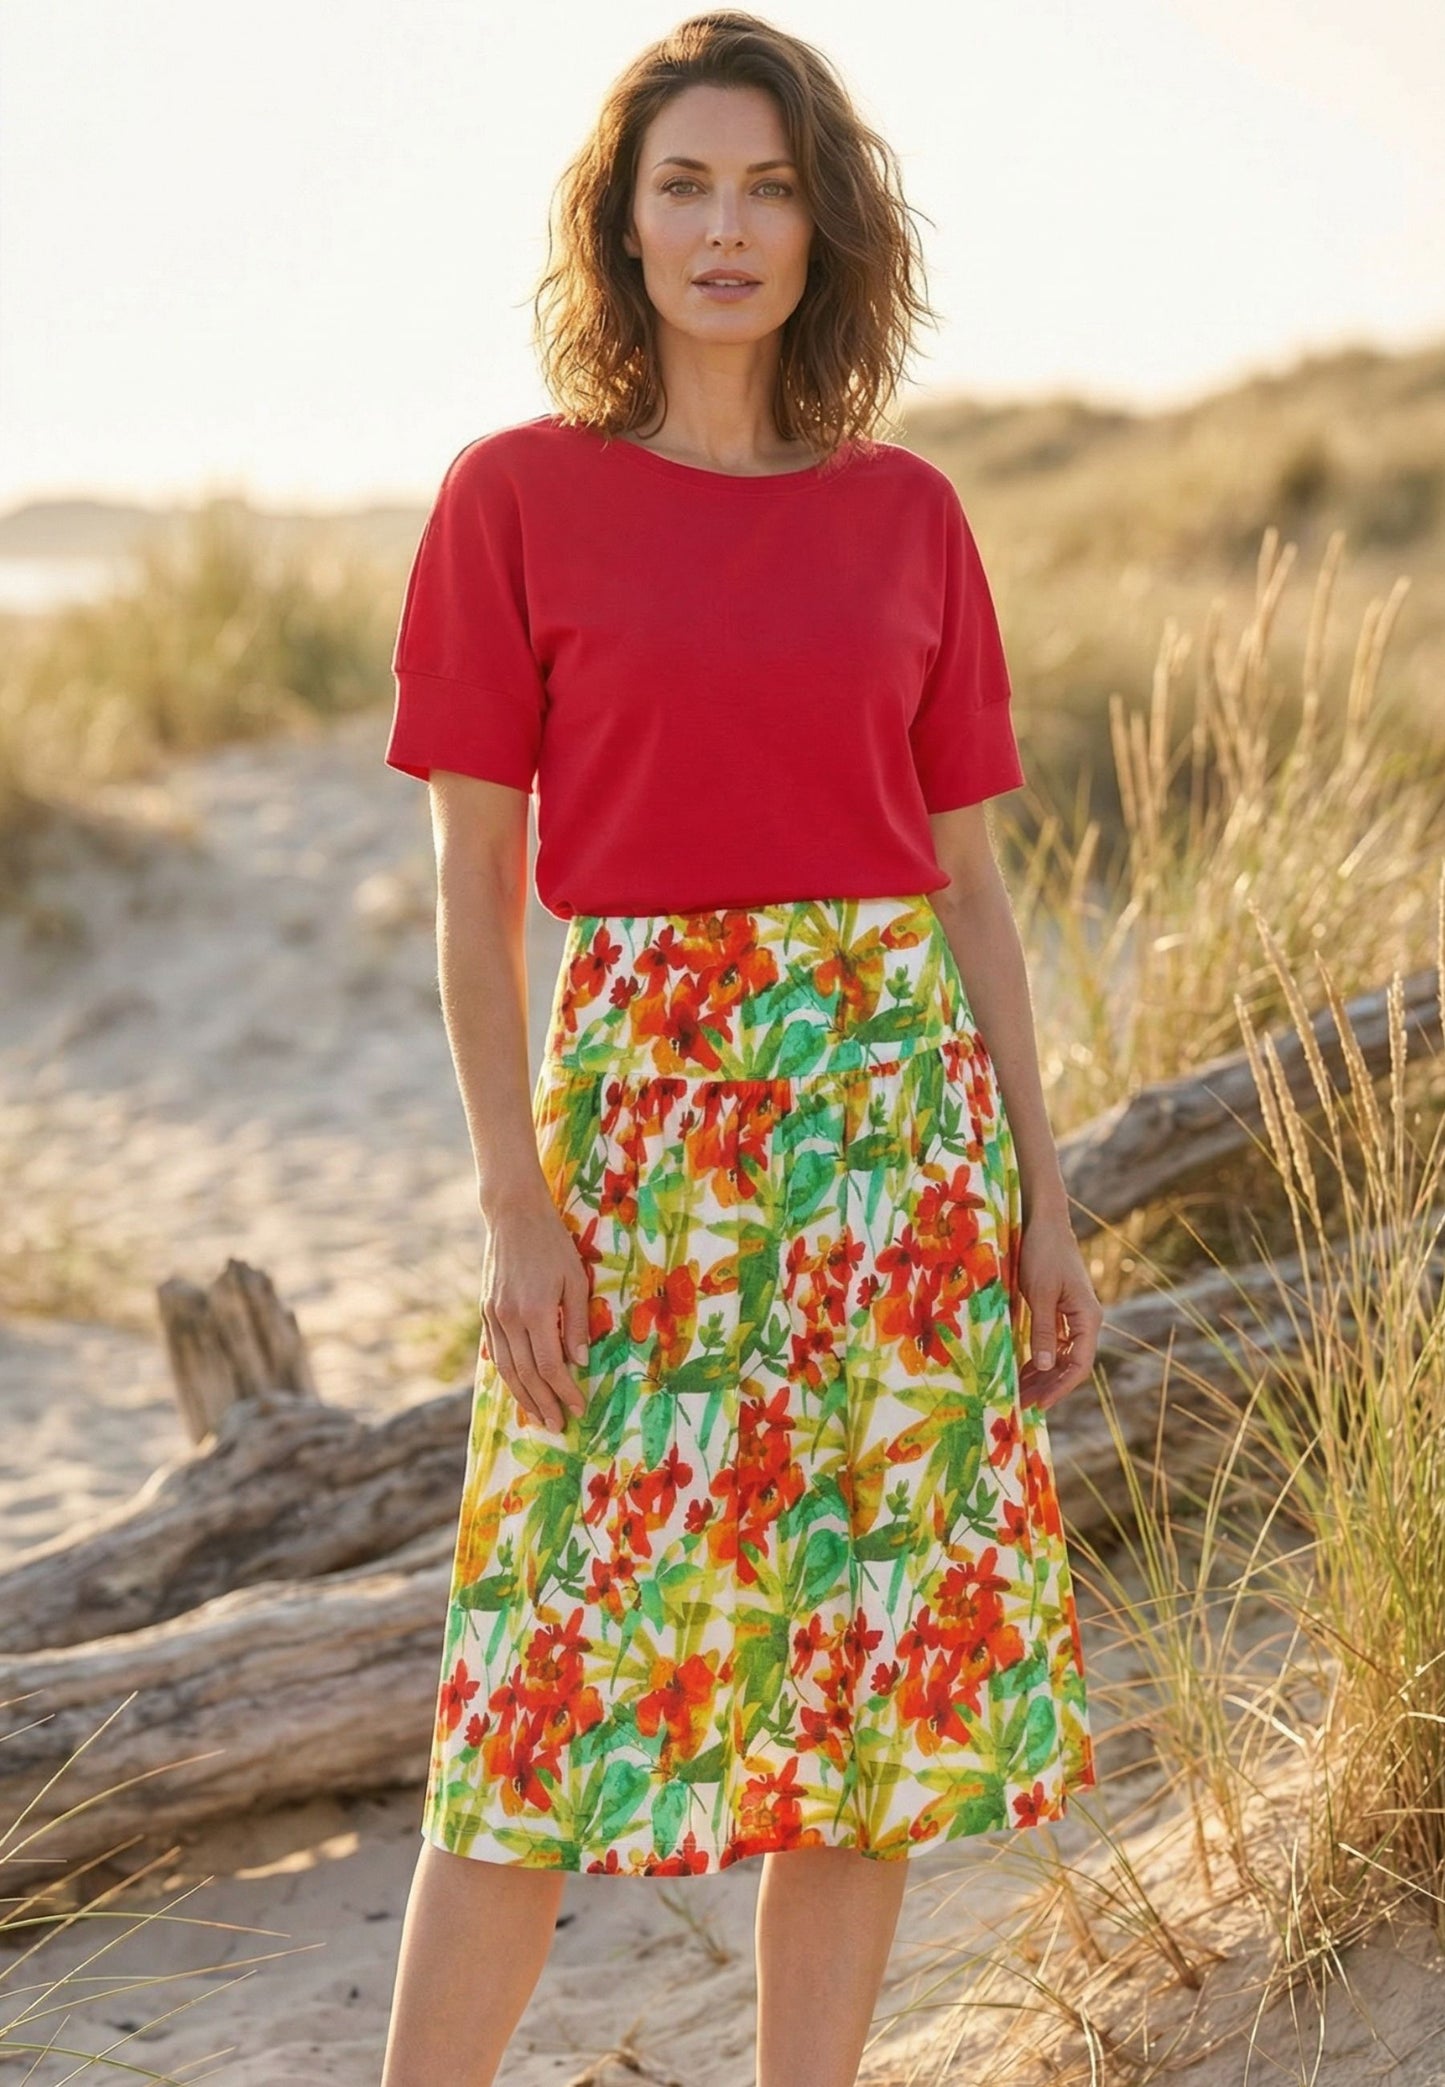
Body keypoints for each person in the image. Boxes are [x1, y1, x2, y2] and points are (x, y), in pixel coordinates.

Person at [378, 13, 1102, 2085]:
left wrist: (1045, 1202)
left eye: (767, 186)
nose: (725, 229)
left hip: (898, 1132)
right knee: (534, 1685)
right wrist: (515, 1207)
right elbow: (475, 892)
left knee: (864, 1700)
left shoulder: (910, 516)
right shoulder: (514, 500)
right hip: (641, 1137)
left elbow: (971, 894)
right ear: (620, 230)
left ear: (823, 227)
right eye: (683, 187)